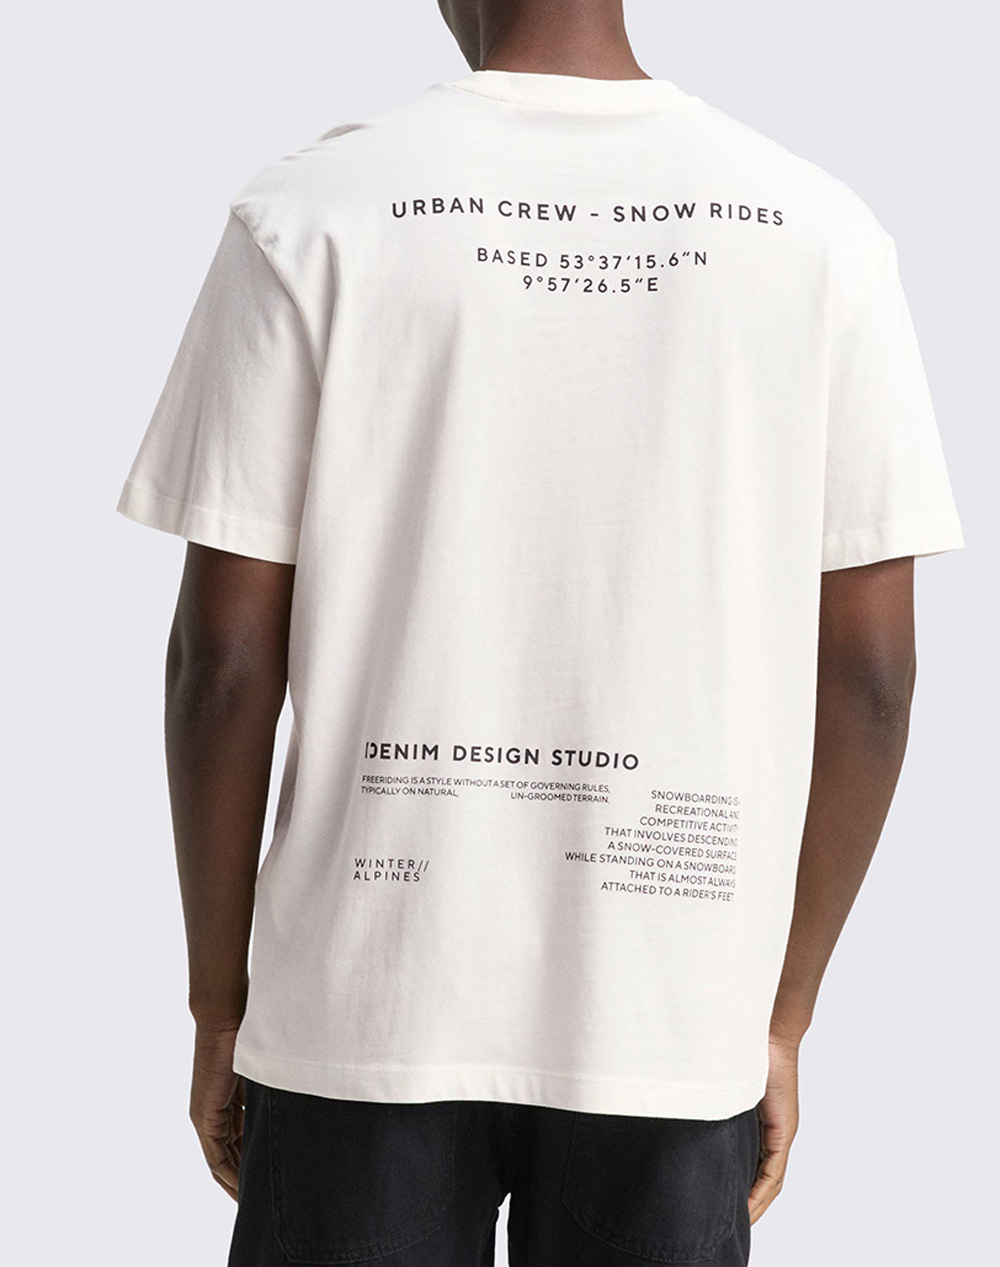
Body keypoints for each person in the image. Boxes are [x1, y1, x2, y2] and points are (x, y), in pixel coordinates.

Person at [116, 1, 963, 1263]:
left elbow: (224, 665)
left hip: (365, 1001)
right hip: (668, 1011)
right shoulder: (819, 232)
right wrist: (777, 1018)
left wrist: (215, 1004)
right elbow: (874, 680)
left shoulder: (312, 212)